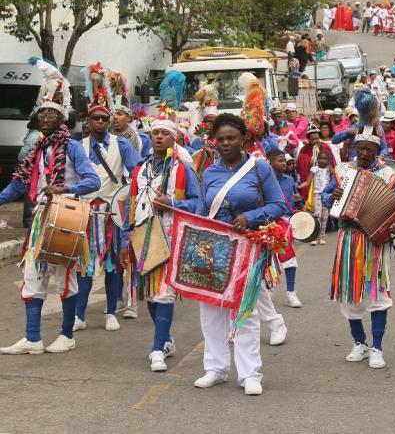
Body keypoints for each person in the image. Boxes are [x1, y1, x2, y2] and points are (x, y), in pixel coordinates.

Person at [0, 58, 100, 355]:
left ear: (61, 119)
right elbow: (18, 185)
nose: (45, 116)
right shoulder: (35, 151)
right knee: (33, 277)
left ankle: (67, 336)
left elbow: (92, 180)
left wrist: (66, 188)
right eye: (42, 112)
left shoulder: (71, 148)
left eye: (51, 113)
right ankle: (32, 339)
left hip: (65, 220)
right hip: (39, 224)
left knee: (64, 280)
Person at [193, 113, 286, 395]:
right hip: (212, 246)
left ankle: (249, 374)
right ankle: (216, 369)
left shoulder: (260, 169)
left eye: (231, 138)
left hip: (247, 246)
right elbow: (200, 207)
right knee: (210, 311)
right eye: (220, 139)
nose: (224, 143)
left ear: (244, 139)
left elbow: (278, 205)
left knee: (244, 310)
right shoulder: (209, 172)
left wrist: (251, 216)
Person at [119, 113, 200, 371]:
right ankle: (165, 340)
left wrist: (173, 202)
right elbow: (131, 203)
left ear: (173, 139)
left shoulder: (182, 168)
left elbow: (199, 203)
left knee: (163, 294)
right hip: (142, 238)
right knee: (150, 295)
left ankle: (156, 350)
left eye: (165, 133)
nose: (159, 137)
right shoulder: (140, 169)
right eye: (155, 133)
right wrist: (125, 236)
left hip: (170, 236)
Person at [322, 130, 395, 369]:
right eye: (361, 148)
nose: (365, 153)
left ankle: (377, 348)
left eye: (370, 149)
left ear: (377, 151)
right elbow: (327, 197)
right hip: (348, 238)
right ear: (354, 149)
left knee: (378, 294)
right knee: (349, 294)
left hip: (375, 242)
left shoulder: (387, 173)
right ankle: (360, 343)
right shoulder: (342, 171)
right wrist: (333, 197)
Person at [74, 91, 140, 332]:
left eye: (104, 118)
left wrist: (130, 200)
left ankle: (111, 312)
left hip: (114, 211)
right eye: (95, 118)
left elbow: (137, 175)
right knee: (84, 263)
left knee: (114, 263)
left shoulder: (121, 144)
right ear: (88, 122)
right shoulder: (76, 145)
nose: (100, 122)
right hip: (84, 211)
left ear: (109, 120)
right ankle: (79, 315)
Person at [268, 149, 303, 308]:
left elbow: (296, 201)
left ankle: (291, 293)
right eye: (280, 161)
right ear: (270, 162)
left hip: (286, 222)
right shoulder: (263, 181)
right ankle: (269, 291)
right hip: (268, 223)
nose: (284, 164)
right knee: (268, 260)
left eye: (285, 161)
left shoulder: (289, 180)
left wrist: (298, 200)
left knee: (289, 259)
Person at [301, 149, 332, 245]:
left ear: (328, 160)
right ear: (317, 159)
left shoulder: (329, 169)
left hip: (327, 195)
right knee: (317, 215)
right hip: (317, 194)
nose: (322, 160)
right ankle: (314, 237)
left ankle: (322, 237)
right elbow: (308, 181)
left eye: (325, 159)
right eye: (321, 158)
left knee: (325, 217)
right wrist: (299, 186)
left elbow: (336, 178)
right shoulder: (314, 169)